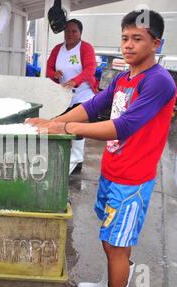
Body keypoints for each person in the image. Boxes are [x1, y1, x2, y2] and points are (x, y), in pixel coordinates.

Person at [26, 9, 176, 287]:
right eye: (124, 38)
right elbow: (94, 105)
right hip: (112, 170)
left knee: (117, 245)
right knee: (111, 239)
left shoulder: (158, 81)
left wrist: (68, 128)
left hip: (132, 179)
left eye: (137, 39)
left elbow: (125, 125)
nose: (128, 45)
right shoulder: (123, 78)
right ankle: (108, 285)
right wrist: (54, 122)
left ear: (156, 44)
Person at [47, 19, 98, 173]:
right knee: (60, 126)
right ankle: (63, 156)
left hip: (83, 94)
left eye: (74, 31)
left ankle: (77, 159)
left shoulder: (86, 48)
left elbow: (90, 69)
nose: (70, 34)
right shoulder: (57, 49)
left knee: (77, 127)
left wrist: (75, 81)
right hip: (63, 95)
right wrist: (54, 75)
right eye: (67, 31)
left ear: (80, 33)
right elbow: (48, 68)